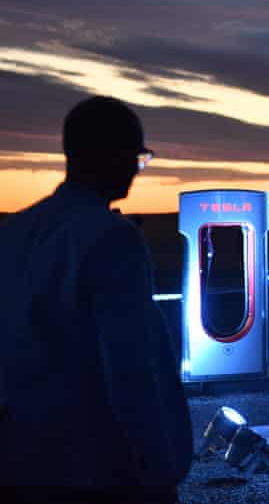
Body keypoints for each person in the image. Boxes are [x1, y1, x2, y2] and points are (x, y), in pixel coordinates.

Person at [0, 96, 193, 503]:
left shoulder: (14, 233)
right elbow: (130, 365)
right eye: (137, 156)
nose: (136, 171)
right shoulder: (112, 237)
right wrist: (158, 463)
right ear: (112, 155)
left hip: (21, 458)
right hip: (95, 466)